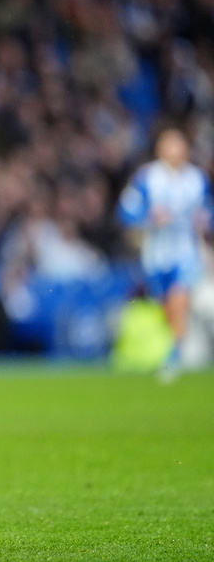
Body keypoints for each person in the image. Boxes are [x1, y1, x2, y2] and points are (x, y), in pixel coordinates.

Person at [117, 126, 213, 376]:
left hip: (186, 252)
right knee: (166, 306)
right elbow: (126, 211)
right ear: (159, 148)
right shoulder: (147, 178)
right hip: (156, 254)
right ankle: (175, 348)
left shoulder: (196, 179)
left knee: (179, 297)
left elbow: (209, 210)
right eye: (168, 144)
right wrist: (148, 218)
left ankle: (174, 357)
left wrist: (204, 219)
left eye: (178, 144)